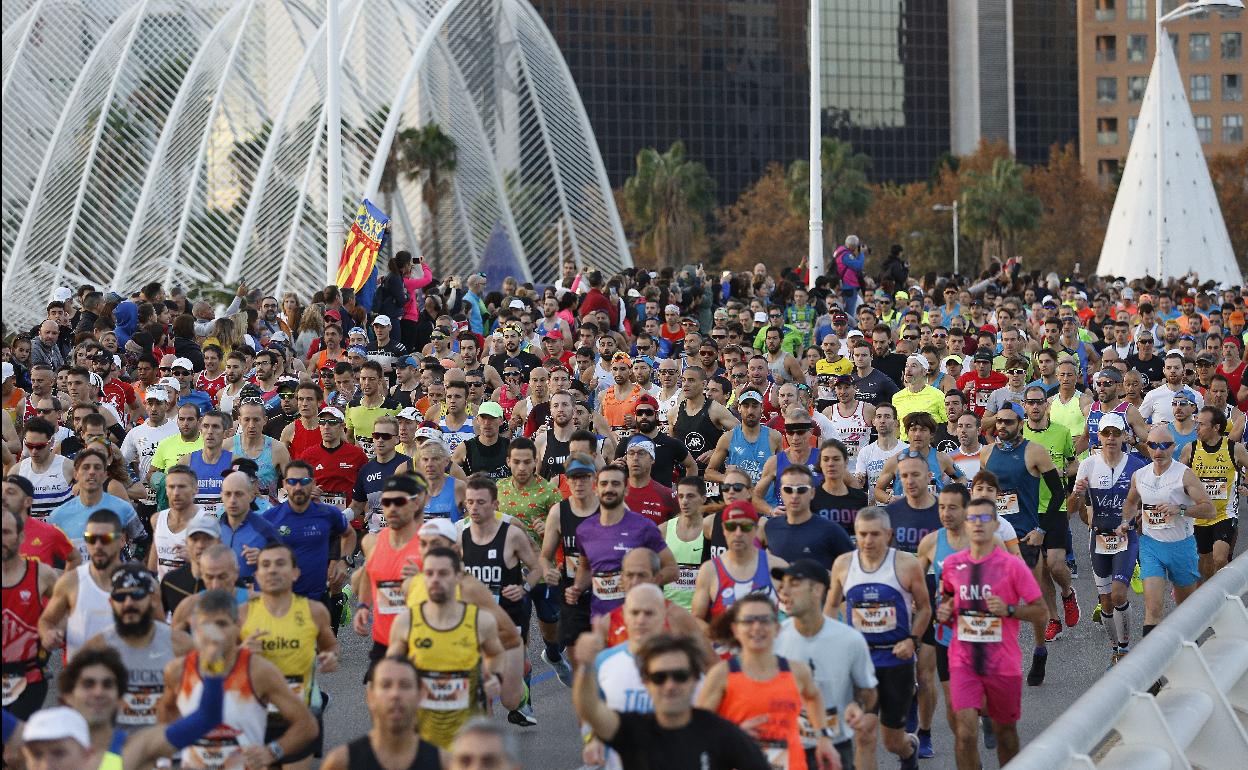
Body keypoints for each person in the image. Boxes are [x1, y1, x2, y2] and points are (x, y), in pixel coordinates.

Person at [936, 498, 1047, 770]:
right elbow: (947, 601)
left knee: (1006, 735)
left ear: (996, 525)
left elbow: (1040, 611)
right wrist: (944, 611)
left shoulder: (1013, 566)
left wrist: (1009, 610)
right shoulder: (952, 565)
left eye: (984, 519)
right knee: (964, 733)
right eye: (972, 519)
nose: (977, 524)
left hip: (1002, 664)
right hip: (963, 661)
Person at [157, 588, 319, 769]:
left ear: (237, 626)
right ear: (194, 627)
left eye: (221, 624)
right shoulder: (178, 670)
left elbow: (307, 725)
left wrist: (272, 752)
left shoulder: (259, 671)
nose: (214, 634)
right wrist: (167, 759)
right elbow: (166, 713)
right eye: (206, 625)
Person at [826, 506, 932, 770]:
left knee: (892, 741)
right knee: (864, 734)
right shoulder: (843, 564)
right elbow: (829, 607)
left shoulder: (907, 564)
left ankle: (909, 751)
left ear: (889, 534)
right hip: (861, 662)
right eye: (862, 534)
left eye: (875, 535)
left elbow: (925, 608)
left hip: (896, 661)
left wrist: (912, 640)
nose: (867, 541)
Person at [573, 631, 771, 770]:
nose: (670, 685)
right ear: (646, 682)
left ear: (695, 679)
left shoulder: (724, 734)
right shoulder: (632, 730)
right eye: (660, 677)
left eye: (680, 676)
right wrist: (586, 667)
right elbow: (590, 709)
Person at [697, 593, 837, 770]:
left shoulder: (797, 671)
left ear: (777, 628)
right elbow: (697, 727)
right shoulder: (721, 675)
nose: (757, 627)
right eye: (748, 621)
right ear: (735, 629)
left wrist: (824, 737)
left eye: (764, 620)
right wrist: (734, 734)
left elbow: (813, 697)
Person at [386, 547, 507, 749]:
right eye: (429, 573)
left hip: (467, 735)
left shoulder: (480, 621)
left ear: (458, 577)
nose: (435, 579)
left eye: (443, 573)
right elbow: (390, 670)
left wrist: (495, 677)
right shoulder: (406, 622)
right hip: (420, 734)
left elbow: (495, 653)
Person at [980, 403, 1066, 685]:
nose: (1001, 427)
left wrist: (1042, 529)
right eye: (998, 422)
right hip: (994, 540)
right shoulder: (987, 453)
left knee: (1033, 602)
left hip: (1026, 538)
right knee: (995, 602)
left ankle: (1039, 649)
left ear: (1021, 422)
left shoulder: (1034, 451)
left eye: (1008, 422)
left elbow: (1057, 493)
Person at [240, 541, 339, 769]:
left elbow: (330, 647)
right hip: (256, 717)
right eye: (265, 565)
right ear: (257, 574)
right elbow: (220, 666)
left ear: (295, 573)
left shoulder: (314, 611)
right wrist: (242, 652)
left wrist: (330, 657)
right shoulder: (242, 615)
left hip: (299, 717)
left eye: (280, 564)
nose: (272, 570)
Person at [458, 473, 544, 726]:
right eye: (470, 502)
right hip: (474, 624)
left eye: (481, 502)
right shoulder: (460, 537)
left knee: (509, 700)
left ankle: (521, 685)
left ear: (495, 505)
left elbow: (537, 567)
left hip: (509, 623)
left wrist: (525, 587)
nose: (474, 507)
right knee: (479, 692)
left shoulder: (511, 535)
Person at [774, 559, 877, 770]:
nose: (784, 591)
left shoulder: (850, 640)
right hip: (786, 748)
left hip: (835, 747)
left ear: (817, 590)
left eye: (794, 584)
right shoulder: (775, 638)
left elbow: (868, 690)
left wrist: (857, 705)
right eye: (783, 584)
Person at [1069, 413, 1146, 664]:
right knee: (1105, 602)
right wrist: (1077, 496)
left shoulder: (1136, 466)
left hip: (1126, 538)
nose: (1111, 438)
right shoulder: (1088, 465)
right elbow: (1072, 509)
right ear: (1098, 436)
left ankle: (1124, 648)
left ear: (1125, 435)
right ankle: (1116, 649)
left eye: (1116, 433)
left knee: (1118, 594)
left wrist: (1140, 520)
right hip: (1098, 539)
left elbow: (1146, 503)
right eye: (1106, 433)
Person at [1124, 425, 1215, 637]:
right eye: (1154, 445)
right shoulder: (1139, 475)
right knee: (1153, 609)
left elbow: (1209, 510)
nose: (1159, 451)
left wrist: (1181, 509)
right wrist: (1127, 522)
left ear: (1173, 447)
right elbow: (1130, 502)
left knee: (1185, 611)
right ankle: (1152, 664)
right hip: (1151, 545)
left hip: (1181, 546)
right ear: (1147, 447)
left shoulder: (1184, 475)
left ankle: (1187, 652)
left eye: (1164, 445)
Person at [83, 563, 191, 729]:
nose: (128, 603)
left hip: (166, 745)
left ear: (153, 600)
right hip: (118, 746)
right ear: (111, 602)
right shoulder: (97, 648)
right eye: (121, 597)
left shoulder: (182, 645)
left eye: (137, 594)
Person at [570, 464, 676, 619]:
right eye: (604, 484)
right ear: (596, 490)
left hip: (638, 618)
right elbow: (586, 568)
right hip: (600, 619)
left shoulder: (644, 527)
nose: (609, 489)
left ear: (626, 490)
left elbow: (672, 570)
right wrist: (577, 588)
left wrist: (642, 583)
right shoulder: (584, 530)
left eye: (616, 483)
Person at [263, 460, 355, 632]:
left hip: (316, 598)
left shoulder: (328, 514)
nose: (298, 487)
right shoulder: (270, 518)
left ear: (312, 483)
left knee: (317, 654)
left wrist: (343, 561)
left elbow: (349, 534)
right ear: (284, 484)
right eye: (292, 482)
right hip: (281, 599)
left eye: (304, 482)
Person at [318, 656, 442, 770]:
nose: (395, 694)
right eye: (385, 685)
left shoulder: (446, 763)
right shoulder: (340, 763)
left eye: (405, 685)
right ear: (370, 696)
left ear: (421, 695)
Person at [38, 508, 130, 661]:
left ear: (122, 540)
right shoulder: (70, 582)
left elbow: (158, 632)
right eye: (91, 538)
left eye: (105, 538)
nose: (98, 545)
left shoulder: (142, 583)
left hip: (124, 677)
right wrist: (49, 634)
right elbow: (47, 621)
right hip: (80, 677)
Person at [690, 500, 786, 629]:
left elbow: (792, 618)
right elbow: (696, 619)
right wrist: (720, 641)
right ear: (724, 529)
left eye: (745, 527)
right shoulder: (709, 570)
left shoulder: (777, 567)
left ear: (756, 529)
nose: (738, 533)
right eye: (731, 527)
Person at [2, 507, 58, 719]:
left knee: (15, 747)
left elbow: (66, 605)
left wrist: (54, 628)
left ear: (21, 536)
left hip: (29, 677)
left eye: (6, 533)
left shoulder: (41, 574)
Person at [1178, 406, 1246, 580]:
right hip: (1199, 515)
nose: (1196, 428)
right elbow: (1177, 477)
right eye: (1196, 424)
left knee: (1220, 558)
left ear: (1216, 427)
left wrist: (1246, 484)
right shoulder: (1190, 449)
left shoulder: (1234, 449)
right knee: (1205, 565)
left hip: (1224, 514)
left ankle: (1224, 593)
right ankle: (1210, 598)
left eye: (1201, 424)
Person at [759, 463, 853, 570]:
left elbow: (854, 567)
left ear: (812, 492)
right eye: (788, 490)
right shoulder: (770, 527)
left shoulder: (831, 530)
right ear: (781, 492)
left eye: (801, 489)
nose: (794, 496)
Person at [3, 473, 80, 570]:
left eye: (10, 493)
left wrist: (61, 583)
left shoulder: (50, 532)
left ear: (28, 501)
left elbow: (75, 558)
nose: (3, 497)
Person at [705, 389, 782, 486]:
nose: (750, 411)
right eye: (746, 406)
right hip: (739, 498)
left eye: (754, 406)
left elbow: (782, 472)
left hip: (766, 500)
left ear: (762, 408)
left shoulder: (774, 437)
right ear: (739, 408)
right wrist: (727, 478)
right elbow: (709, 472)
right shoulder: (728, 438)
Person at [658, 476, 711, 611]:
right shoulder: (663, 530)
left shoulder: (711, 531)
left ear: (703, 498)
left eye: (690, 496)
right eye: (681, 496)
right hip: (667, 612)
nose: (684, 501)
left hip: (699, 613)